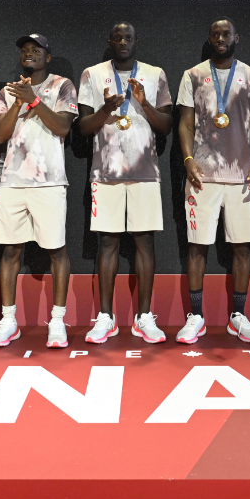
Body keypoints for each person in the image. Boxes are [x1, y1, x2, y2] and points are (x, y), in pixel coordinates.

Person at [78, 22, 173, 344]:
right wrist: (106, 107)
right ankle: (105, 317)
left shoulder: (155, 73)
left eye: (128, 37)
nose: (122, 41)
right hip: (106, 174)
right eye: (117, 37)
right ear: (110, 40)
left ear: (135, 41)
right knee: (107, 243)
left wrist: (143, 103)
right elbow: (83, 128)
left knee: (145, 242)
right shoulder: (92, 74)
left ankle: (144, 316)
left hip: (145, 171)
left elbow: (165, 127)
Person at [177, 17, 250, 345]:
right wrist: (188, 160)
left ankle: (238, 317)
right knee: (197, 245)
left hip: (242, 175)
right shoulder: (193, 75)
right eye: (214, 33)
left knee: (241, 247)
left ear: (236, 37)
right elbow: (185, 125)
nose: (220, 38)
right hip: (202, 174)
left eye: (225, 33)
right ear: (209, 37)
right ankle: (196, 317)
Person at [0, 33, 78, 348]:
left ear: (47, 57)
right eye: (24, 49)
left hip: (50, 182)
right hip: (12, 181)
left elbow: (63, 127)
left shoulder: (63, 85)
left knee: (57, 251)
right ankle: (8, 321)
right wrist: (19, 102)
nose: (29, 53)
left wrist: (35, 100)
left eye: (35, 50)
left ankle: (57, 321)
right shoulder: (6, 92)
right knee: (11, 251)